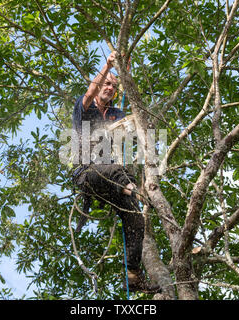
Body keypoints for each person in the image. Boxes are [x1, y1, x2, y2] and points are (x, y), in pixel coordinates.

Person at [71, 51, 160, 294]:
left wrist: (124, 73)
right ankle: (130, 187)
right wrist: (108, 65)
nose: (109, 88)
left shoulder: (115, 113)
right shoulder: (84, 107)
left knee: (135, 220)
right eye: (106, 83)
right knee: (114, 170)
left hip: (111, 179)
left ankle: (133, 275)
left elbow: (134, 123)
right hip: (88, 173)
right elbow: (89, 93)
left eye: (113, 85)